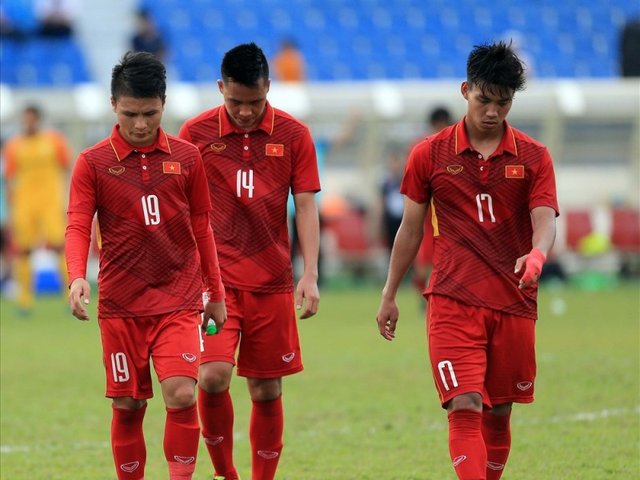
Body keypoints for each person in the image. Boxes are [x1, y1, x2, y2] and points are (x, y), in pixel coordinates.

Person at [375, 41, 559, 480]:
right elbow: (410, 229)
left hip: (513, 301)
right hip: (453, 300)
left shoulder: (534, 157)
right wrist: (389, 293)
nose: (492, 112)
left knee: (499, 413)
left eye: (503, 102)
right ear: (465, 90)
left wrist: (537, 253)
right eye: (484, 100)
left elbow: (544, 218)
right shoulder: (429, 154)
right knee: (465, 404)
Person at [65, 51, 227, 480]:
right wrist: (77, 276)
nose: (140, 124)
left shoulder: (188, 158)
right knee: (128, 404)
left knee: (181, 393)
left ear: (164, 105)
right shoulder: (92, 162)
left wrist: (215, 292)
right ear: (113, 105)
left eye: (150, 114)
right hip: (121, 305)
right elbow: (78, 223)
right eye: (130, 114)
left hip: (178, 298)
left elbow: (202, 228)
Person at [178, 42, 320, 480]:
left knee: (265, 387)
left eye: (254, 102)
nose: (244, 112)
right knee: (212, 377)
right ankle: (226, 473)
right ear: (220, 88)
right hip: (213, 284)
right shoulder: (195, 133)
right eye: (235, 101)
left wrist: (311, 273)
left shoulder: (293, 135)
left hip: (272, 281)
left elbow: (307, 206)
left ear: (269, 87)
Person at [1, 104, 72, 314]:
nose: (28, 123)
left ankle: (70, 297)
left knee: (60, 247)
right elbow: (9, 178)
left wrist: (67, 199)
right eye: (25, 119)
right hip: (24, 204)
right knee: (23, 251)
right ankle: (24, 302)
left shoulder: (54, 141)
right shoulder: (14, 145)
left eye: (31, 119)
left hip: (50, 203)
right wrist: (10, 209)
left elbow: (67, 169)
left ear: (39, 120)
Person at [411, 106, 453, 298]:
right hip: (427, 214)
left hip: (447, 216)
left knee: (442, 261)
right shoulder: (422, 148)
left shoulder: (457, 147)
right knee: (423, 264)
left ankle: (433, 295)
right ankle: (425, 293)